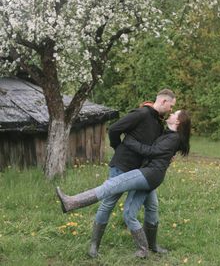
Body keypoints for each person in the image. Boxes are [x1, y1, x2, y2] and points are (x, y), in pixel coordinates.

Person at [56, 109, 191, 258]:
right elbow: (161, 151)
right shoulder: (167, 133)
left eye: (174, 114)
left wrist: (129, 142)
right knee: (129, 213)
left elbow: (152, 151)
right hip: (148, 173)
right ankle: (144, 250)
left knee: (111, 186)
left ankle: (72, 202)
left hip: (149, 174)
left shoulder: (173, 138)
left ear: (178, 121)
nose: (171, 114)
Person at [86, 88, 176, 258]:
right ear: (164, 101)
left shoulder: (158, 122)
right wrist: (118, 147)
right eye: (171, 106)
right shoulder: (141, 114)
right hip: (122, 166)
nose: (171, 109)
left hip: (143, 173)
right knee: (108, 203)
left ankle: (152, 245)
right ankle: (93, 246)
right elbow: (114, 129)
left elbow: (156, 148)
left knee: (152, 205)